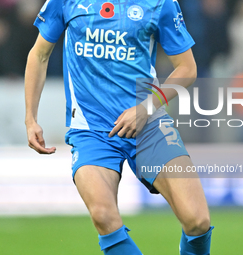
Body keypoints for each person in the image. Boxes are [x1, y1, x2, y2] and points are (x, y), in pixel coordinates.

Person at [24, 0, 214, 254]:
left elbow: (187, 68)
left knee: (198, 221)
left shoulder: (160, 3)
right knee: (103, 215)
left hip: (149, 123)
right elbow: (39, 53)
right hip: (90, 130)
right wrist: (30, 118)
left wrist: (146, 107)